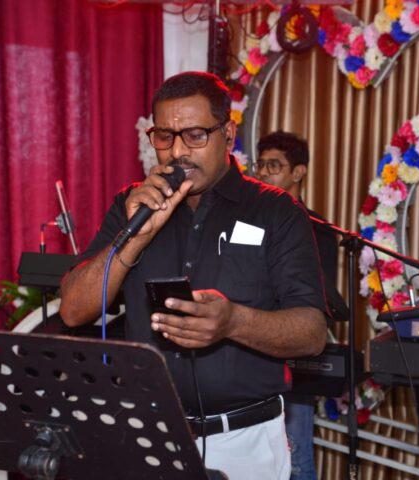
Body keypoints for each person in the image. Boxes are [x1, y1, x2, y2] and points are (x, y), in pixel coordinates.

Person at [59, 71, 327, 479]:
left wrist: (234, 321)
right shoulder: (133, 204)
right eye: (164, 137)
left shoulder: (275, 210)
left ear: (228, 134)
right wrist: (136, 237)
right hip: (147, 433)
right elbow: (73, 310)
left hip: (244, 440)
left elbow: (311, 333)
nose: (178, 152)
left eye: (195, 135)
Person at [255, 131, 348, 480]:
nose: (263, 173)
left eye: (273, 166)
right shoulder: (248, 219)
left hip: (292, 350)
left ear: (298, 172)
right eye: (260, 165)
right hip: (249, 349)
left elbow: (318, 298)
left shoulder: (316, 229)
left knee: (296, 457)